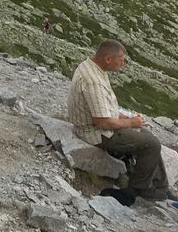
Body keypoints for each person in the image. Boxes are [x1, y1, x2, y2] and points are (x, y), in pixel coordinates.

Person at [68, 40, 172, 199]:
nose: (123, 63)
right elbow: (102, 123)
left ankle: (160, 186)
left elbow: (103, 107)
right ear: (108, 58)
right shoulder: (93, 81)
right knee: (151, 144)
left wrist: (126, 118)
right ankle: (141, 188)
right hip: (96, 133)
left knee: (146, 135)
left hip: (98, 125)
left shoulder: (91, 67)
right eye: (121, 59)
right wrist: (130, 123)